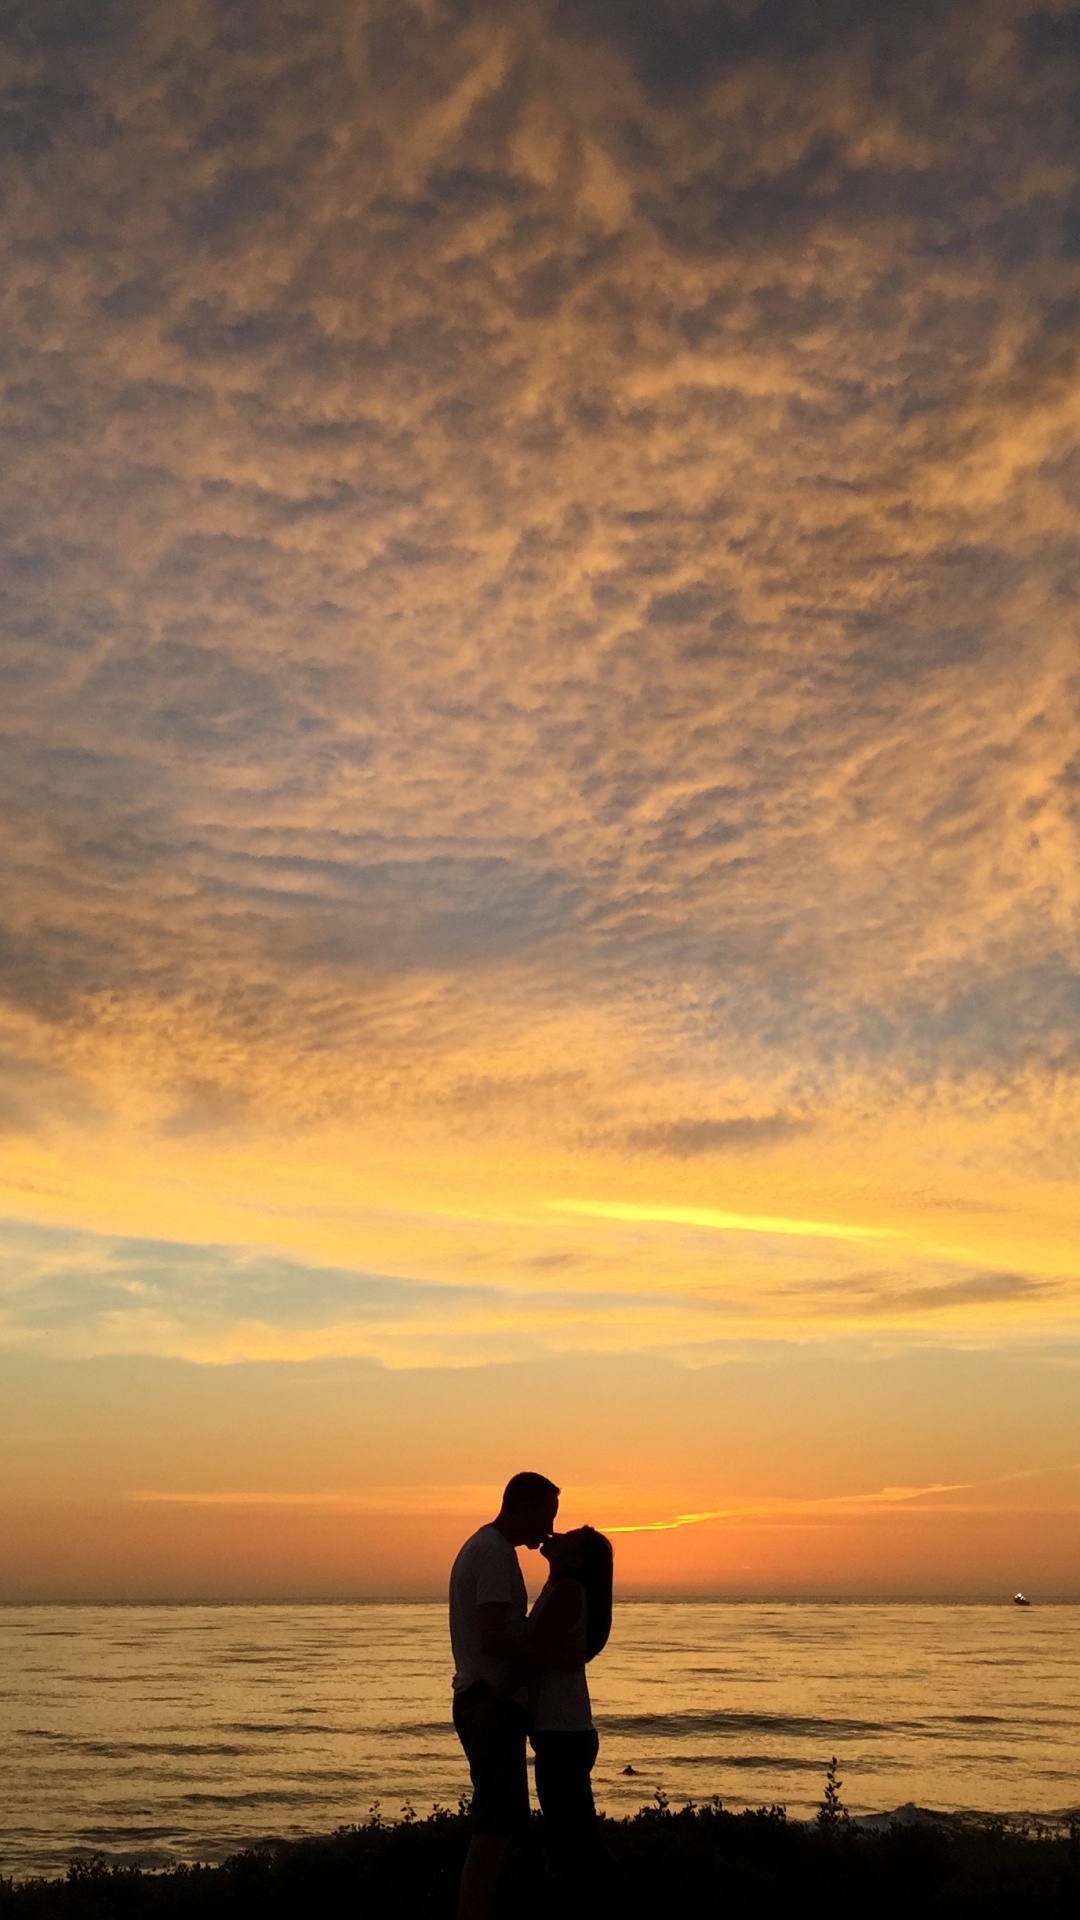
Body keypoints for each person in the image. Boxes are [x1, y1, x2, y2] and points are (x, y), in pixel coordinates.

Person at [449, 1471, 562, 1920]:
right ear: (525, 1507)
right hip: (488, 1701)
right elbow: (492, 1639)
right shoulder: (494, 1555)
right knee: (493, 1829)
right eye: (546, 1517)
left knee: (500, 1824)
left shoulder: (486, 1549)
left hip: (486, 1699)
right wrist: (550, 1654)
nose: (549, 1529)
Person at [528, 1526, 617, 1915]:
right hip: (565, 1732)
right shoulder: (561, 1589)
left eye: (568, 1537)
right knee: (582, 1841)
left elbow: (531, 1656)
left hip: (562, 1734)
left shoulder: (566, 1592)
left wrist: (497, 1699)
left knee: (572, 1846)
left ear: (576, 1559)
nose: (556, 1534)